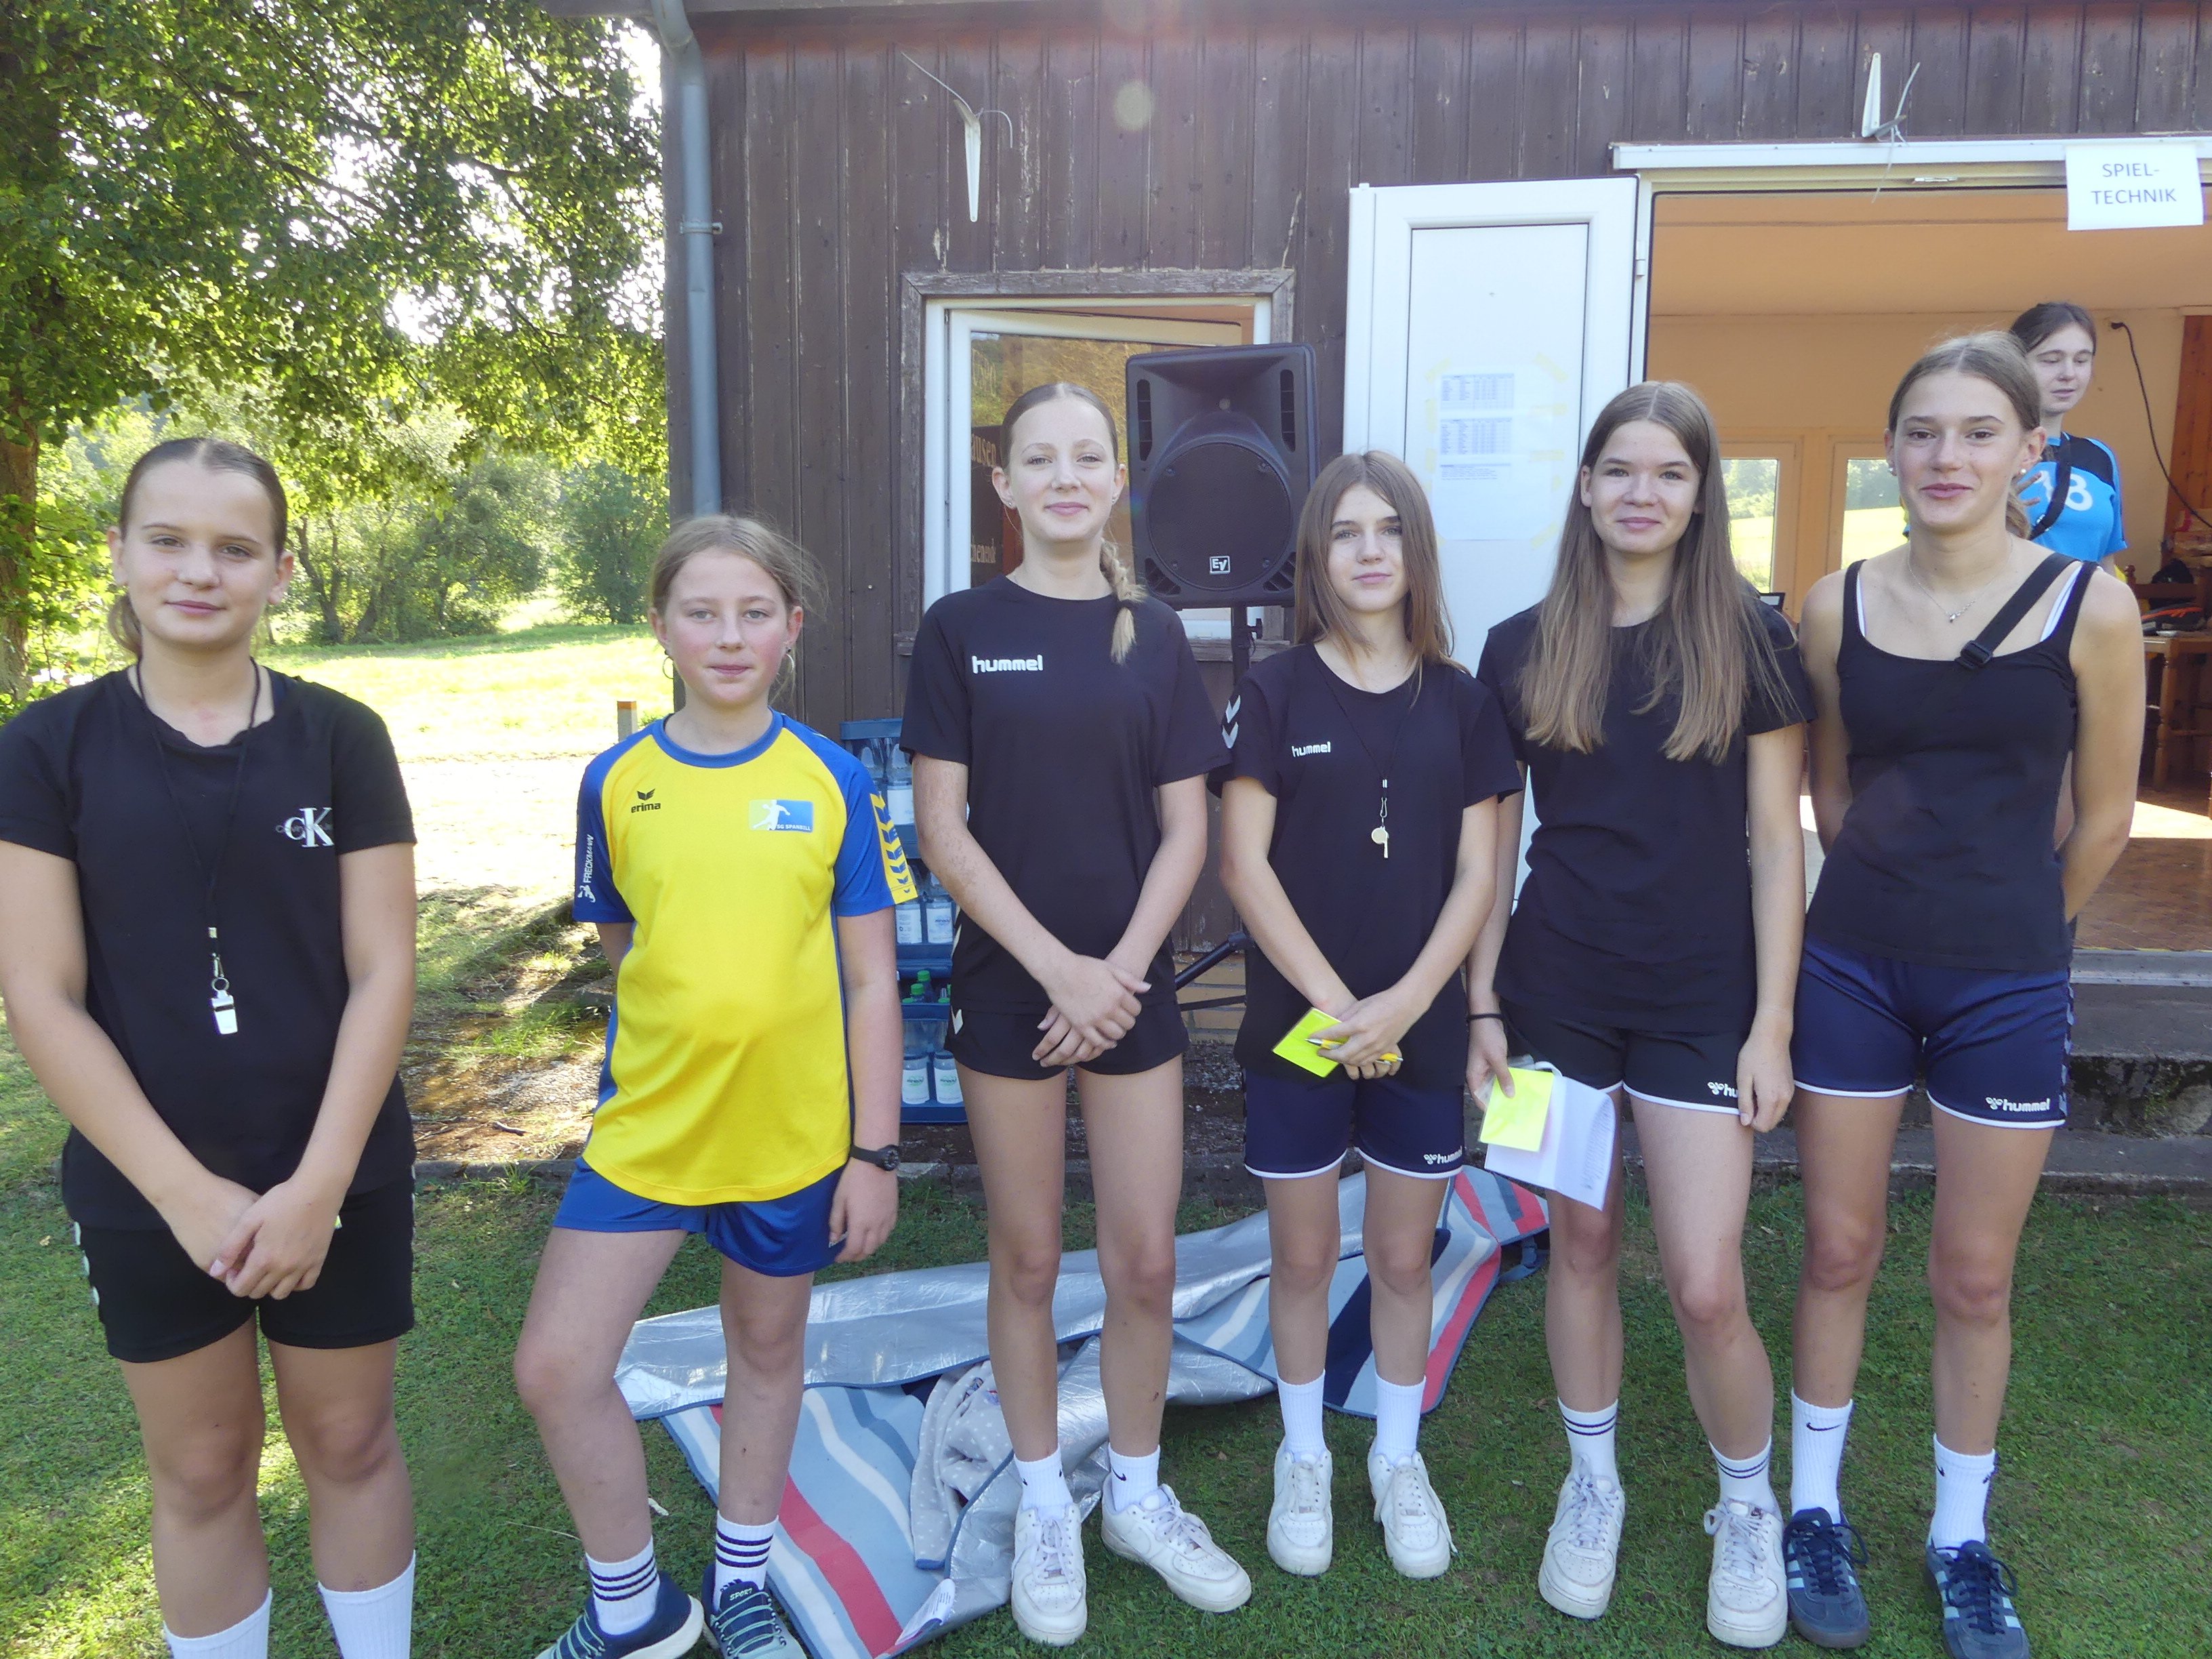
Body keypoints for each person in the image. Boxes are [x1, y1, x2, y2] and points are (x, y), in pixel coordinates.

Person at [0, 438, 420, 1659]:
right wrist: (185, 1196)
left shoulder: (342, 736)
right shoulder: (44, 746)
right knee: (200, 1468)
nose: (199, 571)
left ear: (280, 571)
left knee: (350, 1441)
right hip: (147, 1189)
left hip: (338, 1171)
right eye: (168, 540)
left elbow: (383, 970)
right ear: (119, 555)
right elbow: (40, 994)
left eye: (235, 548)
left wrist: (319, 1187)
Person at [1784, 334, 2140, 1658]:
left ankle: (1958, 1536)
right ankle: (1811, 1508)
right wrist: (1895, 895)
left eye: (1978, 432)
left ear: (2028, 452)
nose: (1947, 456)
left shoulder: (2090, 609)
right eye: (1923, 432)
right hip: (1852, 966)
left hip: (2006, 979)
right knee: (1838, 1249)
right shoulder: (1834, 604)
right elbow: (1829, 789)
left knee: (1974, 1274)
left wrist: (2015, 922)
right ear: (1892, 448)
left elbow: (2103, 818)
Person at [513, 516, 909, 1659]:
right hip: (650, 1132)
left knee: (765, 1352)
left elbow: (871, 979)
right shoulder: (615, 781)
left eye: (753, 613)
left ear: (791, 628)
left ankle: (739, 1581)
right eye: (701, 612)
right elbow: (627, 950)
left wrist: (874, 1153)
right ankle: (632, 1605)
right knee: (556, 1365)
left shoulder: (833, 778)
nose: (728, 636)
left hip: (791, 1138)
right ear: (660, 626)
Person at [1467, 383, 1811, 1648]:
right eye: (1619, 469)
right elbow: (1489, 848)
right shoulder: (1520, 645)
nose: (1640, 493)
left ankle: (1748, 1503)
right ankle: (1593, 1482)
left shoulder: (1753, 638)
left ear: (1701, 493)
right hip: (1552, 990)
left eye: (1668, 473)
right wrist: (1480, 1001)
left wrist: (1772, 1024)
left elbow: (1777, 844)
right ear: (1584, 485)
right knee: (1581, 1242)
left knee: (1706, 1283)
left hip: (1702, 999)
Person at [902, 382, 1244, 1645]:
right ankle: (1046, 1496)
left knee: (1146, 1258)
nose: (1063, 477)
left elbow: (1187, 830)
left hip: (1129, 985)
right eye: (1037, 459)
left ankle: (1135, 1496)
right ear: (1004, 485)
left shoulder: (1151, 637)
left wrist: (1115, 977)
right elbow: (943, 829)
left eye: (1086, 457)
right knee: (1031, 1257)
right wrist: (1060, 971)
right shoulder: (958, 629)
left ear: (1115, 482)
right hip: (1015, 986)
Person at [1216, 452, 1519, 1582]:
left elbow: (1479, 875)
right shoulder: (1273, 691)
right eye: (1345, 532)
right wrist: (1343, 1007)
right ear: (1317, 558)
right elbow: (1243, 866)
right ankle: (1303, 1456)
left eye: (1388, 529)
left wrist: (1406, 1003)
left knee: (1401, 1255)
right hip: (1302, 1027)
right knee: (1300, 1257)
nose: (1368, 550)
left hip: (1419, 1026)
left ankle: (1396, 1456)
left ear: (1415, 550)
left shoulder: (1464, 702)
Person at [2009, 301, 2128, 579]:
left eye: (2082, 360)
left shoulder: (2099, 456)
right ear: (2014, 364)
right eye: (2051, 360)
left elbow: (2106, 564)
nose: (2069, 374)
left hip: (2083, 607)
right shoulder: (1980, 449)